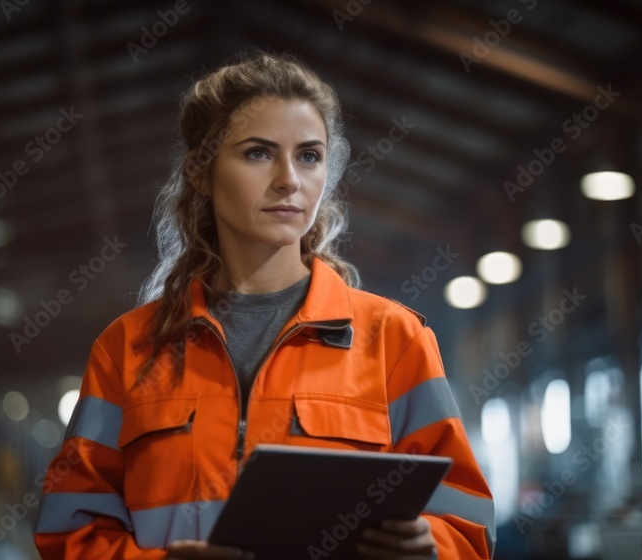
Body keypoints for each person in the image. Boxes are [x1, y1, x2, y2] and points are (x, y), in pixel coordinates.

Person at [33, 50, 494, 560]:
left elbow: (466, 522)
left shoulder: (394, 341)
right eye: (258, 153)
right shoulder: (128, 348)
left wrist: (430, 547)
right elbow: (68, 530)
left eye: (309, 156)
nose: (289, 180)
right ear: (201, 173)